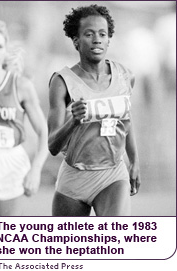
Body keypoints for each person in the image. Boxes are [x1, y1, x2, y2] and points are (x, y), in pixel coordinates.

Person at [47, 4, 140, 216]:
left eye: (102, 34)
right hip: (74, 177)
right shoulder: (62, 82)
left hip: (112, 174)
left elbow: (126, 122)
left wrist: (134, 162)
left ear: (108, 39)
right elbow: (52, 145)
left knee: (113, 237)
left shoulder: (126, 76)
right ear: (76, 41)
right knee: (72, 248)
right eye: (89, 34)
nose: (97, 39)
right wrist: (73, 122)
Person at [0, 19, 48, 216]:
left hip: (10, 163)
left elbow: (43, 131)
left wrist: (36, 170)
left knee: (5, 236)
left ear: (5, 50)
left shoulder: (20, 86)